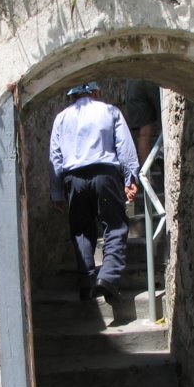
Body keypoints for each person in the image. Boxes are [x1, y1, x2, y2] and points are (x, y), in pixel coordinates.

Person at [49, 81, 140, 304]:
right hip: (105, 175)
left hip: (74, 179)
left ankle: (87, 283)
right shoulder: (110, 111)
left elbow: (55, 158)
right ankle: (108, 277)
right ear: (96, 92)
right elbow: (125, 147)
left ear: (71, 96)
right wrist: (130, 178)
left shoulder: (60, 118)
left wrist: (57, 192)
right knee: (115, 226)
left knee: (81, 230)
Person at [125, 79, 161, 164]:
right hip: (156, 75)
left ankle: (145, 171)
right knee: (168, 122)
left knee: (144, 133)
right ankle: (164, 156)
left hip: (134, 79)